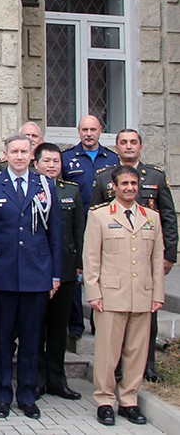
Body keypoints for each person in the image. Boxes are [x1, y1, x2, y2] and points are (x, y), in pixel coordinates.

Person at [0, 133, 62, 420]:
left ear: (32, 154)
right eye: (15, 151)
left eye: (25, 151)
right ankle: (1, 396)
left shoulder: (45, 185)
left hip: (37, 273)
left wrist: (55, 275)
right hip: (2, 273)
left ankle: (26, 395)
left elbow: (55, 234)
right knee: (1, 339)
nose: (20, 156)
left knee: (32, 340)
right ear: (5, 154)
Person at [91, 128, 177, 383]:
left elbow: (168, 217)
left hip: (147, 258)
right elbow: (95, 214)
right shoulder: (104, 176)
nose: (128, 147)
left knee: (146, 322)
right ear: (116, 147)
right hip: (115, 264)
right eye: (123, 143)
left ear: (140, 146)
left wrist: (168, 255)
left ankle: (146, 367)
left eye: (133, 142)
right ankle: (115, 370)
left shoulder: (156, 176)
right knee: (112, 327)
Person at [85, 165, 165, 426]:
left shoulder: (151, 217)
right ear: (114, 187)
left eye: (133, 183)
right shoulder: (99, 216)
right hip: (111, 295)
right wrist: (94, 292)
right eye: (124, 184)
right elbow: (92, 258)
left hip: (142, 295)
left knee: (136, 352)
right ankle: (105, 400)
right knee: (108, 353)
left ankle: (129, 400)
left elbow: (156, 260)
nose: (130, 188)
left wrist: (157, 294)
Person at [33, 143, 84, 400]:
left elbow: (79, 231)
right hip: (37, 270)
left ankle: (57, 379)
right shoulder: (30, 190)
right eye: (47, 161)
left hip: (64, 270)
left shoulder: (71, 191)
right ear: (36, 163)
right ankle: (38, 379)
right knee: (36, 327)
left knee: (58, 328)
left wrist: (80, 266)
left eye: (56, 161)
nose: (52, 165)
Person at [62, 115, 119, 340]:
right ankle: (76, 325)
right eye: (84, 129)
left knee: (103, 273)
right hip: (77, 223)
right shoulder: (67, 158)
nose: (88, 133)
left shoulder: (113, 159)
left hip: (106, 225)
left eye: (92, 129)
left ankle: (99, 322)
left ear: (100, 131)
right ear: (78, 131)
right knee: (77, 272)